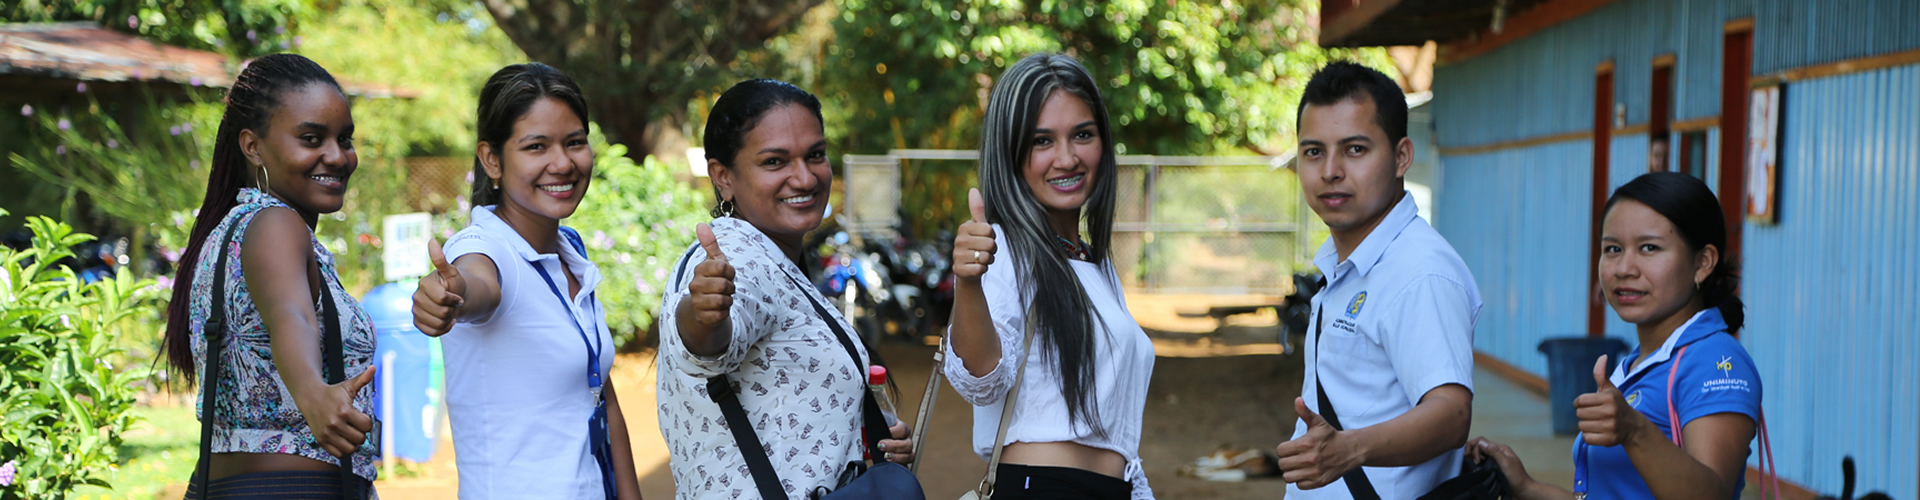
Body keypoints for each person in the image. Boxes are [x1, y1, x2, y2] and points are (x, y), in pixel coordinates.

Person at [656, 78, 913, 499]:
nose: (805, 177)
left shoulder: (777, 257)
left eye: (815, 155)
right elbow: (707, 343)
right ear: (723, 176)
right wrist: (704, 313)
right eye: (775, 162)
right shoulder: (739, 256)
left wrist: (864, 434)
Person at [408, 63, 642, 500]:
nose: (563, 163)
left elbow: (600, 395)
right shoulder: (483, 249)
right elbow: (478, 286)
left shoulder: (570, 251)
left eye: (575, 142)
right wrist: (451, 296)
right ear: (491, 159)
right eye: (537, 146)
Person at [161, 53, 379, 498]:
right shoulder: (278, 224)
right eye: (311, 138)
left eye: (345, 138)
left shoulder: (232, 230)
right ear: (253, 146)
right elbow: (291, 317)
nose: (337, 156)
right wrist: (313, 394)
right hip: (295, 486)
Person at [1468, 172, 1762, 500]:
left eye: (1649, 248)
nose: (1624, 268)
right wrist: (1526, 486)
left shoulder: (1713, 361)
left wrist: (1634, 431)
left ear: (1703, 263)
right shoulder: (1639, 363)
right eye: (1613, 249)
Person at [944, 53, 1157, 500]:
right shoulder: (1004, 249)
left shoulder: (1094, 264)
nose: (1067, 158)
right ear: (1011, 152)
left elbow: (1114, 432)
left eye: (1082, 135)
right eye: (1042, 141)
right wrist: (968, 282)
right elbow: (982, 380)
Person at [1277, 61, 1482, 500]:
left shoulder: (1419, 271)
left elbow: (1450, 413)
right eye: (1313, 151)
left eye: (1354, 150)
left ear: (1402, 156)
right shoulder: (1347, 263)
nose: (1330, 170)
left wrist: (1347, 450)